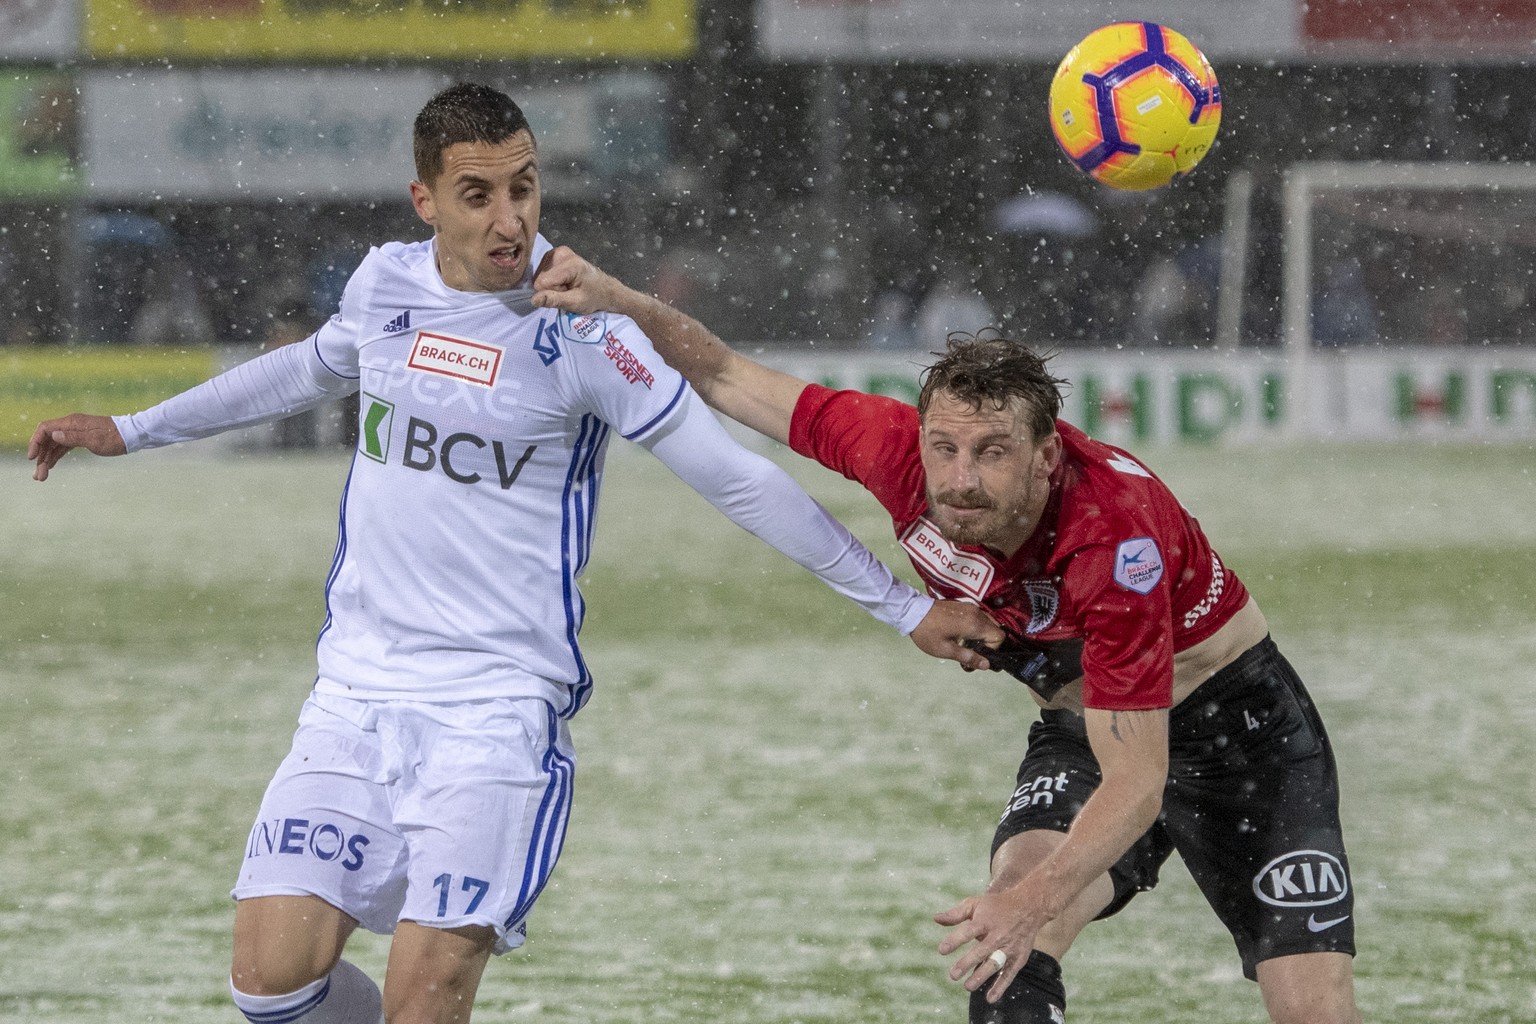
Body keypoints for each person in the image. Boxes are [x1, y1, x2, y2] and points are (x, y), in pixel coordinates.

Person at [26, 83, 1003, 1024]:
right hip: (354, 702)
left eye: (524, 187)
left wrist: (903, 605)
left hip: (494, 720)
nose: (509, 217)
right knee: (270, 984)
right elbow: (305, 368)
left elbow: (738, 480)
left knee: (425, 1001)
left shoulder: (586, 332)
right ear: (426, 201)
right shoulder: (383, 285)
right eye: (478, 193)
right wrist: (132, 428)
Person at [528, 247, 1365, 1024]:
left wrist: (1041, 896)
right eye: (947, 448)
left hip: (1237, 735)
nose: (961, 478)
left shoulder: (1115, 541)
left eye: (993, 453)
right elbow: (719, 372)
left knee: (1309, 1008)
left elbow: (1140, 781)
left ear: (1045, 457)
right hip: (1084, 723)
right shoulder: (894, 449)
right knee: (1002, 938)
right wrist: (618, 298)